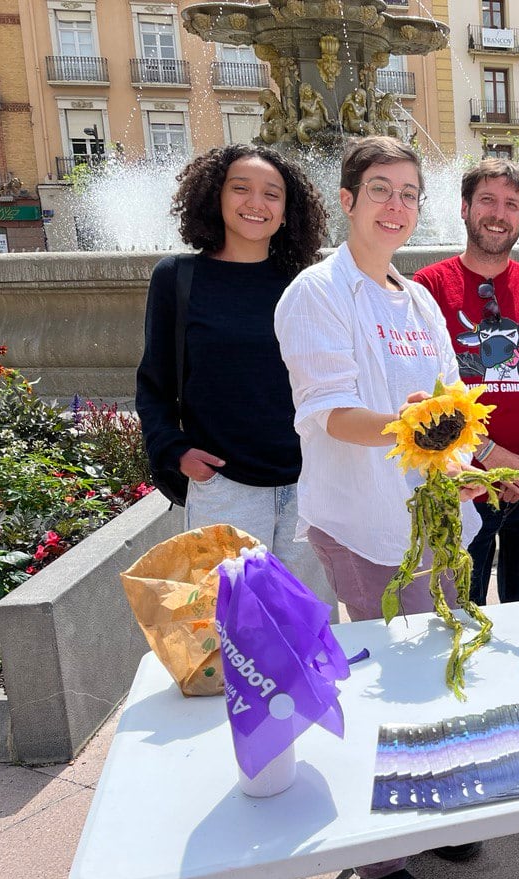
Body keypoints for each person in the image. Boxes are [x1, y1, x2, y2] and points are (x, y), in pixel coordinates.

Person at [274, 135, 482, 879]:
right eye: (380, 190)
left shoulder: (416, 298)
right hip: (362, 523)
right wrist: (421, 428)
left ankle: (424, 812)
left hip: (431, 521)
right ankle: (381, 868)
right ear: (348, 200)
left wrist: (466, 461)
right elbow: (327, 410)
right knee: (377, 685)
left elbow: (452, 397)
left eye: (408, 193)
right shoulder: (316, 294)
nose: (396, 206)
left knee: (431, 670)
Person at [136, 144, 334, 606]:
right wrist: (176, 451)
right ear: (216, 198)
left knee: (312, 627)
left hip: (310, 484)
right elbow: (154, 384)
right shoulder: (178, 278)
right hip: (225, 485)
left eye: (272, 194)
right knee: (231, 633)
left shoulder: (307, 283)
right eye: (240, 189)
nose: (256, 203)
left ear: (288, 211)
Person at [413, 158, 519, 606]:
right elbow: (424, 396)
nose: (498, 213)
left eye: (511, 204)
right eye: (487, 199)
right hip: (463, 481)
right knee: (459, 611)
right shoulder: (426, 287)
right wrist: (495, 457)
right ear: (465, 208)